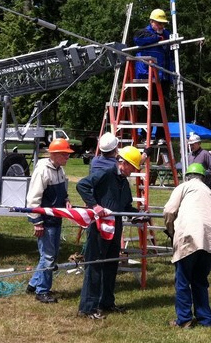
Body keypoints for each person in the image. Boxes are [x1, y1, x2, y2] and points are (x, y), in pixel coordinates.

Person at [76, 145, 142, 320]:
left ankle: (106, 302)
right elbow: (82, 185)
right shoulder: (105, 174)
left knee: (111, 264)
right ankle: (88, 308)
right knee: (95, 266)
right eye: (133, 167)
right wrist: (95, 205)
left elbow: (125, 206)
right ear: (124, 163)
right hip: (99, 228)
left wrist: (137, 215)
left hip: (115, 228)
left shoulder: (123, 183)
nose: (134, 171)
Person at [163, 162, 211, 328]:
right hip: (210, 241)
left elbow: (169, 211)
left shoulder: (184, 187)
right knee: (200, 280)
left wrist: (171, 230)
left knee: (183, 281)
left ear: (187, 176)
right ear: (203, 177)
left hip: (189, 237)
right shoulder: (210, 192)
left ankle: (184, 319)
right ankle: (205, 319)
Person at [25, 137, 73, 304]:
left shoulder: (59, 170)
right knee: (48, 256)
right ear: (55, 155)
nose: (68, 157)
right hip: (45, 220)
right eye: (65, 155)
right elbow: (32, 200)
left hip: (56, 219)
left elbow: (62, 190)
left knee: (50, 255)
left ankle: (33, 284)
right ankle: (42, 291)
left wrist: (66, 199)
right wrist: (37, 222)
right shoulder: (42, 171)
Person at [133, 8, 174, 143]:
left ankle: (161, 136)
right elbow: (137, 39)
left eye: (163, 24)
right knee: (148, 106)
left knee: (163, 107)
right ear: (151, 22)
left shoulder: (166, 34)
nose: (161, 26)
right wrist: (157, 38)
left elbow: (169, 54)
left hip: (162, 76)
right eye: (158, 23)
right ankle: (145, 136)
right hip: (147, 75)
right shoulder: (145, 33)